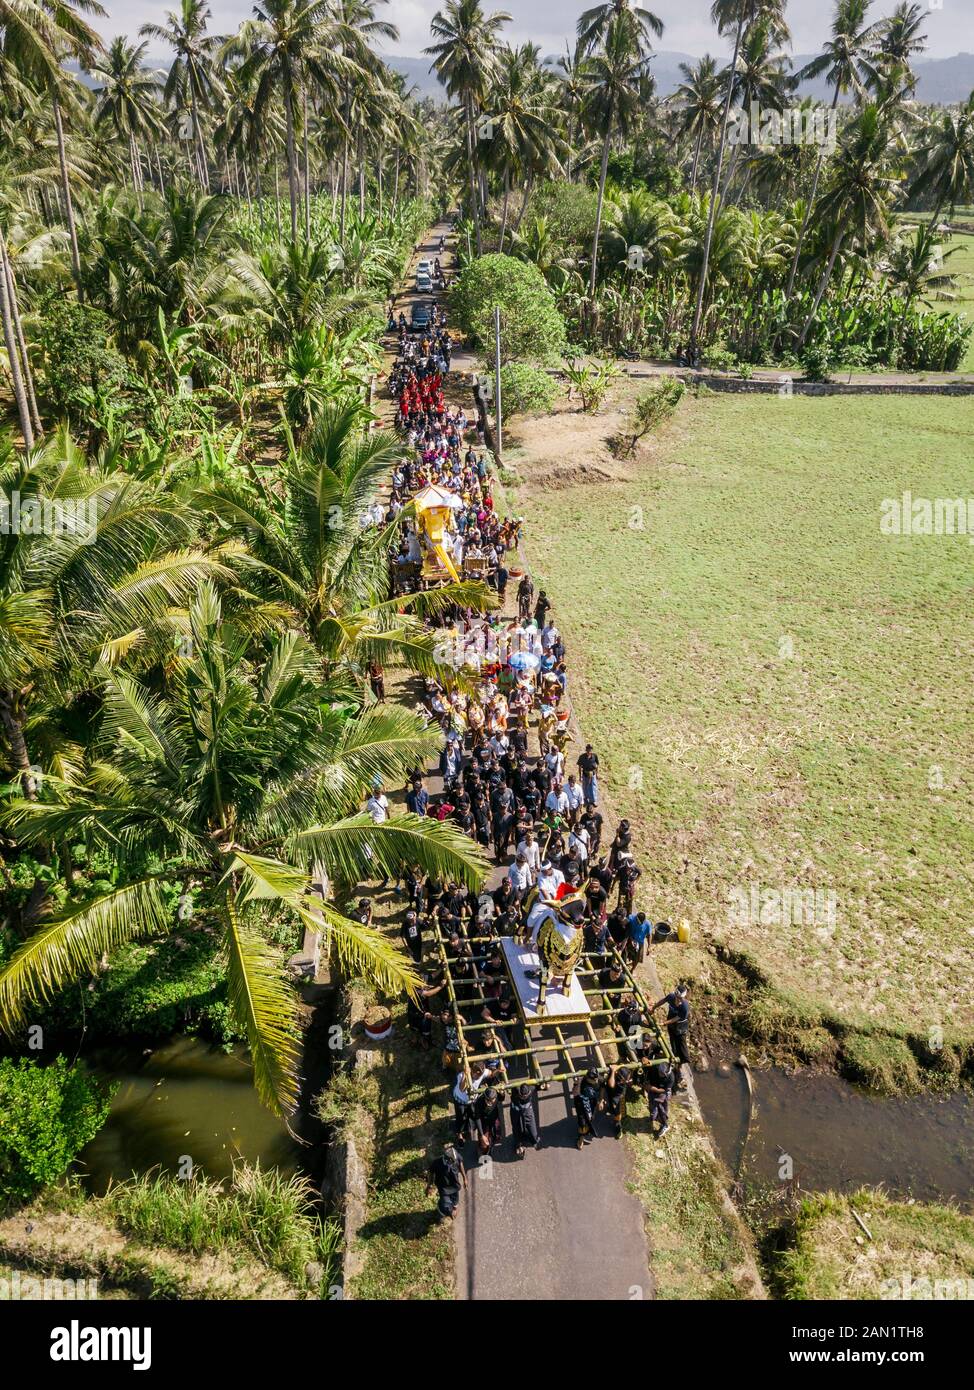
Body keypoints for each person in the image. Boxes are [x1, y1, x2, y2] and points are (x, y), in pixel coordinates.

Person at [652, 984, 691, 1091]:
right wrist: (654, 1007)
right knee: (673, 1046)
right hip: (671, 1026)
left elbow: (677, 1018)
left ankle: (680, 1068)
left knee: (683, 1051)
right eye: (677, 998)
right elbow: (663, 1001)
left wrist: (664, 1023)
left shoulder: (685, 1007)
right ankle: (673, 1062)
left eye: (680, 999)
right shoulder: (671, 997)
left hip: (680, 1027)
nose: (678, 1000)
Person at [427, 1139, 466, 1222]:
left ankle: (453, 1209)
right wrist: (429, 1185)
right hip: (444, 1188)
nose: (455, 1162)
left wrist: (465, 1178)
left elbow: (461, 1164)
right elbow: (430, 1172)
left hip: (455, 1186)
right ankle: (442, 1213)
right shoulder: (437, 1163)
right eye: (453, 1161)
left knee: (455, 1202)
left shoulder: (456, 1156)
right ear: (447, 1159)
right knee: (445, 1206)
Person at [510, 1083, 541, 1158]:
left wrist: (544, 1086)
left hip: (527, 1111)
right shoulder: (515, 1089)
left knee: (532, 1127)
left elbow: (539, 1086)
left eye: (525, 1096)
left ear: (529, 1092)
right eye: (521, 1096)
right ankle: (518, 1145)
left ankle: (534, 1140)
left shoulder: (532, 1088)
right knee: (516, 1128)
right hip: (515, 1111)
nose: (523, 1098)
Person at [572, 1067, 602, 1148]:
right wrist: (576, 1083)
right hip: (581, 1105)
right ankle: (581, 1138)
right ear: (588, 1078)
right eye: (593, 1079)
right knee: (582, 1123)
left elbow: (602, 1087)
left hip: (592, 1103)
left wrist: (601, 1101)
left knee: (591, 1118)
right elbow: (574, 1093)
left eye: (596, 1078)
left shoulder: (598, 1079)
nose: (596, 1081)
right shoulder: (581, 1082)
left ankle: (587, 1128)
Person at [474, 1086, 504, 1162]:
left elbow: (501, 1098)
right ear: (484, 1097)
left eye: (492, 1100)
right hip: (484, 1123)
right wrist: (482, 1135)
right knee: (484, 1143)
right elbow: (477, 1119)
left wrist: (503, 1093)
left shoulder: (497, 1096)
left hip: (495, 1121)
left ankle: (490, 1148)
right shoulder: (479, 1102)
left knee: (494, 1137)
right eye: (488, 1100)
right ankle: (482, 1153)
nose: (490, 1102)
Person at [604, 1064, 633, 1139]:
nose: (628, 1080)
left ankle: (618, 1127)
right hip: (611, 1094)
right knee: (611, 1104)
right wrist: (616, 1067)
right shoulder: (619, 1077)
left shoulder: (621, 1084)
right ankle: (611, 1109)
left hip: (616, 1099)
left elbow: (611, 1084)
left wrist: (613, 1070)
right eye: (626, 1078)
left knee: (618, 1114)